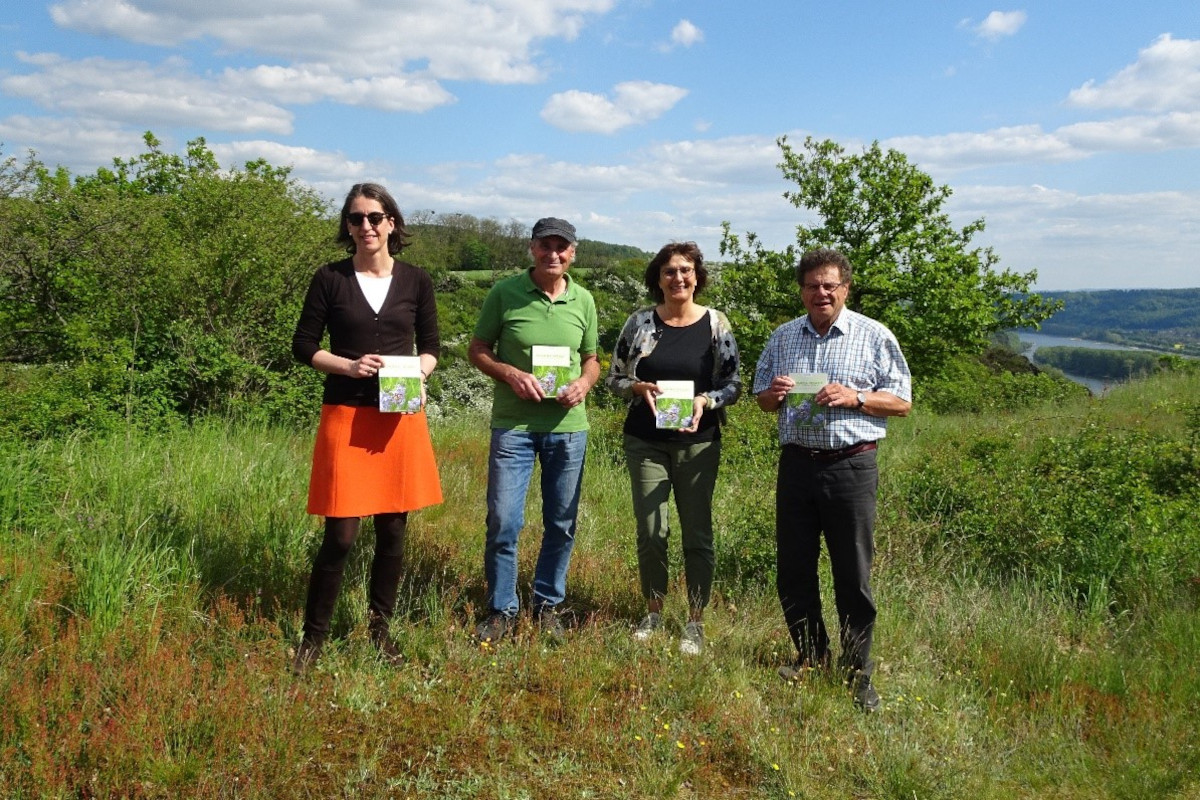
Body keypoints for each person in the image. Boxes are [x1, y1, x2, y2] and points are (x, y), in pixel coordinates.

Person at [290, 183, 442, 673]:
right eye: (356, 219)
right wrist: (348, 367)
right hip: (346, 413)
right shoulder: (329, 279)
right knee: (340, 535)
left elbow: (432, 346)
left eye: (375, 217)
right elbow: (303, 346)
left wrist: (419, 373)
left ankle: (380, 631)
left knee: (393, 530)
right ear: (347, 227)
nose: (366, 227)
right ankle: (313, 640)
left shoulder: (416, 280)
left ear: (392, 223)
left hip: (398, 418)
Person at [752, 247, 911, 712]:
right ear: (801, 290)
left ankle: (858, 670)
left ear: (845, 288)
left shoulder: (874, 335)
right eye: (811, 285)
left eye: (829, 285)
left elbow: (901, 402)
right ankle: (811, 655)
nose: (820, 293)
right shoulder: (783, 337)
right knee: (794, 569)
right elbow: (761, 399)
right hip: (797, 465)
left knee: (852, 573)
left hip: (851, 466)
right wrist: (773, 394)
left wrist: (857, 396)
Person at [605, 242, 741, 655]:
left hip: (698, 444)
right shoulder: (640, 323)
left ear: (697, 276)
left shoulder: (716, 324)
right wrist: (636, 386)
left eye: (685, 270)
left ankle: (695, 622)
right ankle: (653, 611)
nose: (677, 278)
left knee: (697, 534)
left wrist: (707, 401)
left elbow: (733, 385)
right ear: (658, 278)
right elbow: (614, 378)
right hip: (646, 442)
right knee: (651, 532)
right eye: (669, 271)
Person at [467, 217, 599, 642]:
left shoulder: (584, 299)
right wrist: (508, 373)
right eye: (546, 246)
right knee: (504, 520)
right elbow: (477, 349)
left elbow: (592, 358)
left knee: (561, 521)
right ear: (532, 248)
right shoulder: (504, 293)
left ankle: (547, 605)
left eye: (562, 247)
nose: (553, 254)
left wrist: (583, 383)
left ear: (573, 252)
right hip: (514, 427)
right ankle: (502, 609)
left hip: (567, 428)